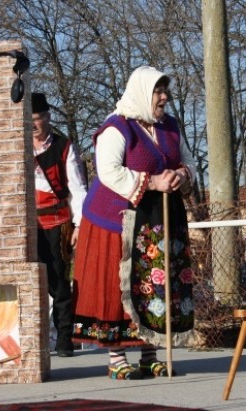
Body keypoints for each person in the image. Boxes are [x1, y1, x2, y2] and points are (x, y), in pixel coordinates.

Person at [72, 66, 196, 380]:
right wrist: (153, 182)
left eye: (165, 91)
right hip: (114, 221)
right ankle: (116, 357)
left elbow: (188, 160)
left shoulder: (169, 127)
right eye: (158, 91)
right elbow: (108, 172)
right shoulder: (117, 127)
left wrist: (181, 175)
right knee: (120, 286)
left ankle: (150, 353)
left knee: (154, 284)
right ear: (142, 93)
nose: (164, 97)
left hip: (154, 220)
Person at [31, 92, 87, 357]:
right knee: (31, 285)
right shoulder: (17, 147)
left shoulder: (64, 147)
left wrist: (78, 225)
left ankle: (65, 339)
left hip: (58, 222)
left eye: (38, 118)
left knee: (59, 284)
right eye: (28, 119)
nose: (33, 124)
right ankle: (34, 342)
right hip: (29, 226)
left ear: (47, 118)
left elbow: (77, 189)